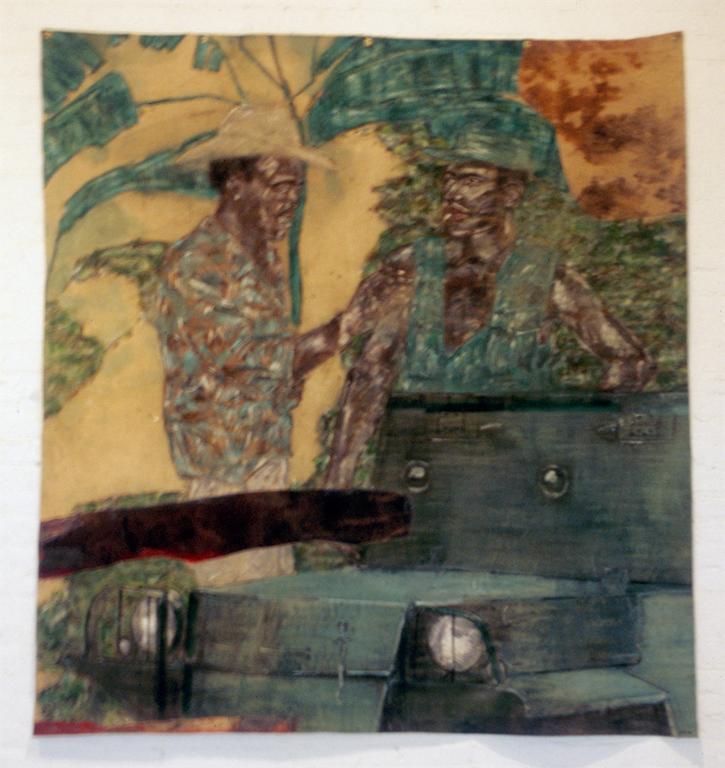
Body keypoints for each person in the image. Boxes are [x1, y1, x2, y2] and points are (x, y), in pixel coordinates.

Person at [294, 130, 655, 488]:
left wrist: (580, 442)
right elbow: (366, 362)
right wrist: (338, 477)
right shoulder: (413, 268)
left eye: (470, 180)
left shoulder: (546, 277)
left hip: (515, 475)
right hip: (421, 470)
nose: (451, 192)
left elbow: (631, 361)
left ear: (510, 193)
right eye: (449, 179)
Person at [152, 106, 332, 582]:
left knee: (271, 597)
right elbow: (251, 360)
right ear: (235, 183)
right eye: (279, 185)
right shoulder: (198, 262)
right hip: (223, 477)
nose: (290, 200)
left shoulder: (261, 258)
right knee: (236, 605)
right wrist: (340, 331)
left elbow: (272, 376)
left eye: (296, 187)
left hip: (265, 467)